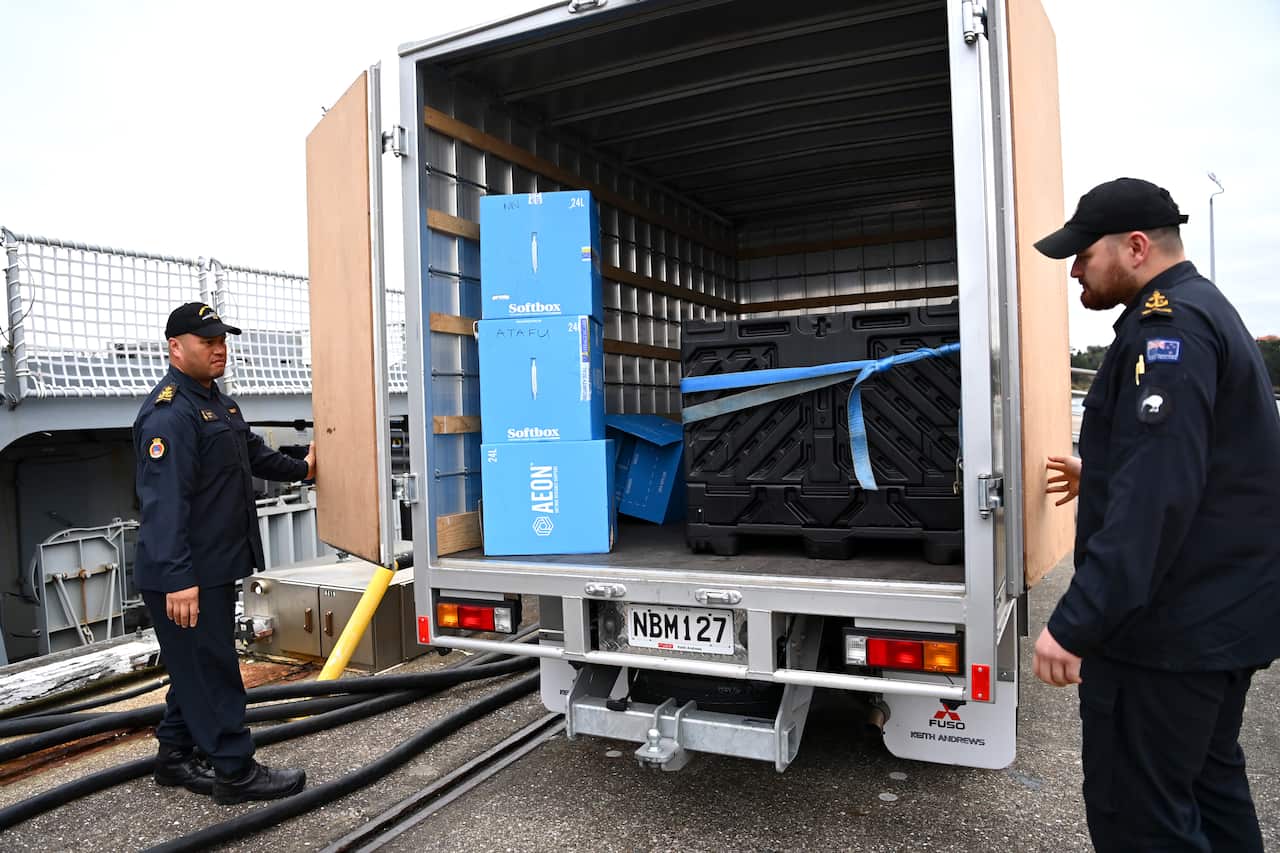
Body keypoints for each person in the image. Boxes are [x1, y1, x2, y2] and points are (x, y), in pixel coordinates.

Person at [1031, 177, 1280, 852]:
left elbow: (1157, 498)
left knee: (1140, 820)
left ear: (1136, 247)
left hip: (1165, 641)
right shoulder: (1208, 311)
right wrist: (1105, 470)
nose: (1074, 267)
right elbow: (1205, 462)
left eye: (1083, 252)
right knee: (1208, 793)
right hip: (1219, 627)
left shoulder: (1166, 328)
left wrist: (1078, 619)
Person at [134, 302, 315, 804]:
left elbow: (253, 455)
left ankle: (173, 756)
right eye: (206, 341)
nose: (219, 349)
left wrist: (304, 469)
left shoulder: (218, 405)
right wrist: (177, 579)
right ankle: (235, 772)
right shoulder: (170, 416)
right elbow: (163, 504)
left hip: (210, 567)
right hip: (184, 574)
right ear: (175, 347)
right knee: (213, 670)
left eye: (222, 340)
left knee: (195, 664)